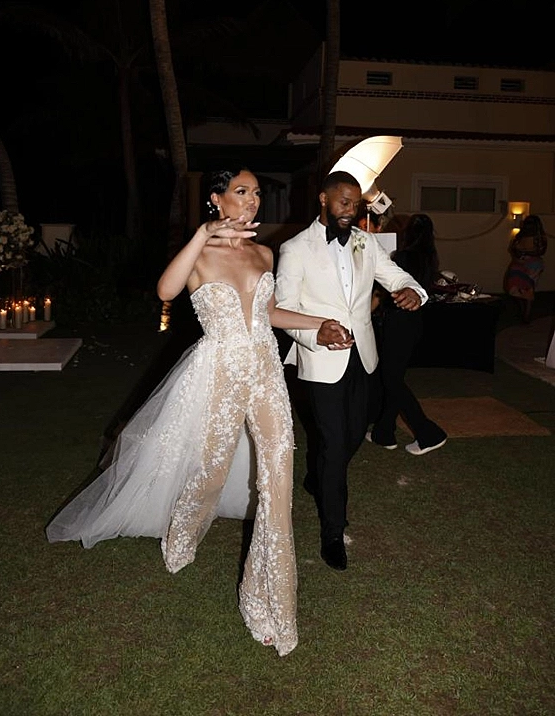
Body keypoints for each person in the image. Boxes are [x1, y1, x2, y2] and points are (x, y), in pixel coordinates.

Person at [46, 168, 349, 658]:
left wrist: (320, 324)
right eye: (241, 192)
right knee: (211, 472)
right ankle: (182, 536)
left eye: (255, 194)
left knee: (279, 483)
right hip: (219, 374)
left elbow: (266, 313)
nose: (251, 202)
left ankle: (263, 599)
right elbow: (166, 291)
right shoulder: (200, 253)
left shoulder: (264, 252)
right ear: (217, 199)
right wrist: (201, 235)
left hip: (267, 372)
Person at [275, 171, 428, 572]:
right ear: (323, 200)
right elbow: (283, 309)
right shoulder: (295, 248)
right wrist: (315, 335)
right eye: (344, 201)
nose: (351, 209)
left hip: (365, 358)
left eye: (356, 203)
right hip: (320, 361)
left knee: (349, 439)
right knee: (334, 442)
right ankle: (332, 531)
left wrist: (415, 290)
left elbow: (394, 276)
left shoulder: (365, 241)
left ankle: (319, 473)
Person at [367, 213, 448, 456]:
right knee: (394, 377)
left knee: (392, 380)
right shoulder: (429, 258)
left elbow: (385, 291)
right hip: (415, 324)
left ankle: (428, 432)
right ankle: (384, 432)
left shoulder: (402, 257)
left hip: (398, 324)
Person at [504, 214, 547, 323]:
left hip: (532, 265)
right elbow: (513, 250)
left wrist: (524, 252)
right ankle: (524, 313)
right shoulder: (520, 236)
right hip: (520, 265)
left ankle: (526, 315)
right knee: (516, 289)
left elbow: (541, 251)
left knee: (527, 289)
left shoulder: (538, 238)